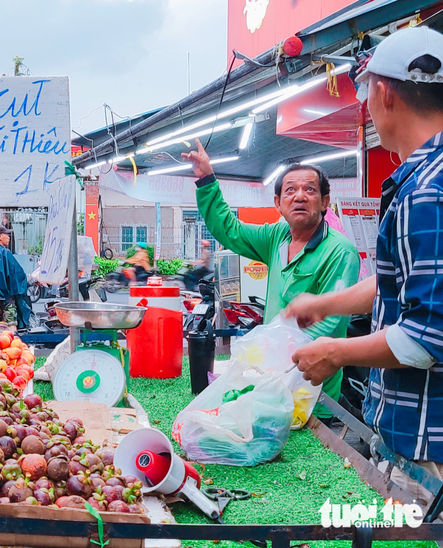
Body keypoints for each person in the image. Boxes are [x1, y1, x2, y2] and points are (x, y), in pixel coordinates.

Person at [284, 26, 443, 504]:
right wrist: (326, 302)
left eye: (366, 90)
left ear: (384, 92)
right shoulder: (425, 177)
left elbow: (429, 334)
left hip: (427, 443)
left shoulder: (426, 191)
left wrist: (336, 351)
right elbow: (403, 281)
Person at [182, 139, 360, 421]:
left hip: (313, 395)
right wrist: (206, 180)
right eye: (290, 190)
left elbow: (329, 324)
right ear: (278, 203)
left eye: (310, 190)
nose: (299, 196)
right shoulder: (276, 237)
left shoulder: (340, 252)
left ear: (325, 202)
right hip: (270, 389)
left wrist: (267, 354)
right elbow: (229, 230)